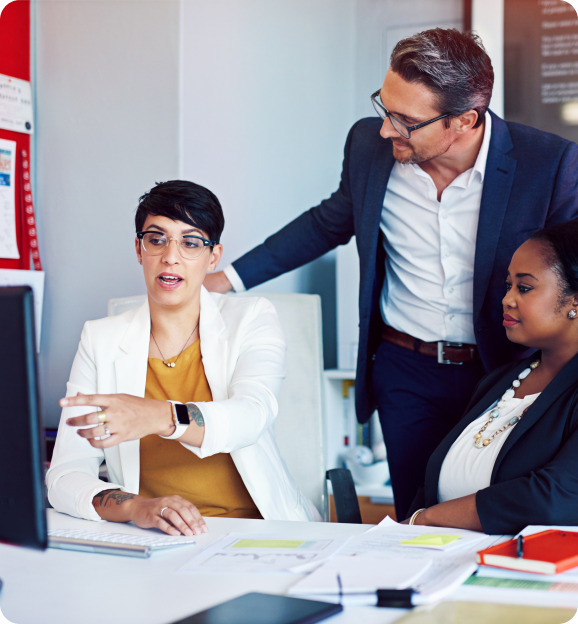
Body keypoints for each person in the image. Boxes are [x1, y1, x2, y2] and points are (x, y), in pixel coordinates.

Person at [204, 28, 578, 520]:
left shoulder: (548, 163)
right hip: (407, 371)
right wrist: (224, 280)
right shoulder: (368, 144)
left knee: (498, 518)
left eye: (404, 120)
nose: (385, 129)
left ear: (465, 120)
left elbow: (569, 268)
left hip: (506, 371)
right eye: (384, 106)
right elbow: (331, 220)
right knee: (415, 517)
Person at [46, 180, 321, 536]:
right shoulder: (100, 338)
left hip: (257, 531)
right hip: (156, 535)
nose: (170, 256)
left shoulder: (252, 317)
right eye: (156, 239)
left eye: (190, 242)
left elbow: (253, 415)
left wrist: (159, 416)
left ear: (213, 257)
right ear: (138, 248)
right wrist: (136, 507)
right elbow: (66, 474)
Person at [404, 220, 578, 534]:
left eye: (524, 287)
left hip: (520, 572)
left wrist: (426, 518)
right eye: (508, 285)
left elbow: (554, 497)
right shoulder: (497, 381)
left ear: (575, 299)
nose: (507, 299)